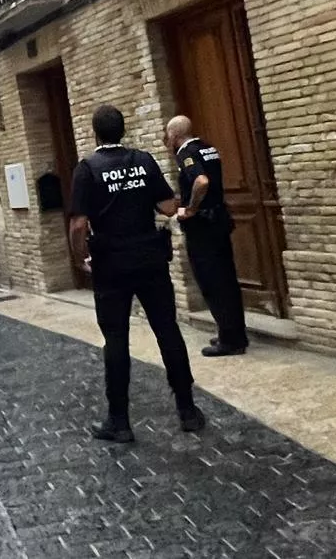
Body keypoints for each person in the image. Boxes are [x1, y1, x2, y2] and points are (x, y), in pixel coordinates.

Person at [69, 106, 206, 443]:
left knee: (116, 338)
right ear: (123, 130)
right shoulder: (143, 160)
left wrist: (80, 256)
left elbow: (78, 224)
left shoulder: (87, 169)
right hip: (149, 257)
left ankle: (119, 421)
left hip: (110, 262)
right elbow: (168, 207)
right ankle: (187, 410)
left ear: (96, 134)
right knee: (167, 330)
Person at [164, 116, 249, 357]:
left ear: (174, 135)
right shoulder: (208, 147)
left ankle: (230, 340)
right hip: (219, 220)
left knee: (212, 281)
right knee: (227, 279)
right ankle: (233, 332)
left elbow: (201, 181)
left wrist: (191, 208)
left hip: (203, 226)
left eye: (168, 135)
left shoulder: (186, 153)